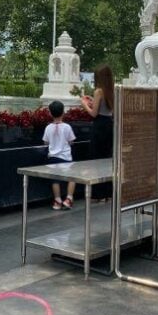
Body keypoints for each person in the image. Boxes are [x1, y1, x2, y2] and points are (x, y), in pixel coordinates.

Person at [80, 64, 114, 201]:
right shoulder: (111, 91)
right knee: (106, 159)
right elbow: (107, 109)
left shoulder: (99, 91)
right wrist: (93, 101)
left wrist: (85, 105)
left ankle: (97, 194)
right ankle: (108, 193)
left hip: (99, 126)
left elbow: (94, 114)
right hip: (108, 125)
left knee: (95, 159)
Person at [43, 101, 76, 210]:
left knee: (55, 180)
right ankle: (69, 198)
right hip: (65, 158)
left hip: (52, 158)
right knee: (72, 177)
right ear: (63, 112)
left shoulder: (48, 127)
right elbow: (71, 141)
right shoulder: (67, 127)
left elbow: (45, 142)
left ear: (50, 114)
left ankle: (57, 200)